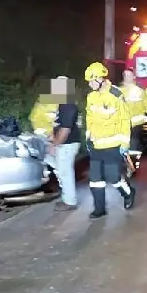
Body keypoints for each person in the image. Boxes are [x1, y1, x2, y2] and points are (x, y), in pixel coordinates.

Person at [84, 62, 136, 219]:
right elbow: (90, 118)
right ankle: (99, 209)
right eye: (89, 82)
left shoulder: (116, 94)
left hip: (113, 145)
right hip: (96, 145)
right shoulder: (91, 96)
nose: (91, 84)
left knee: (113, 177)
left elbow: (124, 120)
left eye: (93, 81)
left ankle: (128, 193)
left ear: (101, 78)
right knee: (95, 179)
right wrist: (88, 138)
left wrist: (125, 143)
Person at [47, 76, 81, 211]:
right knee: (63, 171)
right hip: (66, 143)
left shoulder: (67, 104)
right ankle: (68, 198)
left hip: (67, 144)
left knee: (65, 172)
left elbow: (65, 129)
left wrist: (55, 144)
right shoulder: (64, 102)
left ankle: (70, 202)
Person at [120, 69, 147, 175]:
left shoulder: (139, 91)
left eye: (130, 75)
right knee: (125, 144)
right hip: (123, 123)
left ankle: (132, 165)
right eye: (125, 75)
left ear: (134, 77)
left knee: (133, 145)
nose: (128, 77)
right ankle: (129, 164)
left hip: (136, 123)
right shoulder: (119, 91)